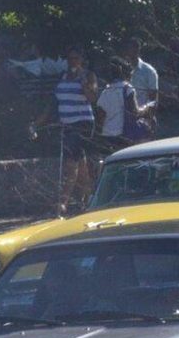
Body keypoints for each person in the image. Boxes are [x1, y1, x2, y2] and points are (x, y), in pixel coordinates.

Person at [33, 47, 99, 215]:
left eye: (76, 58)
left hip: (82, 123)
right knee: (80, 163)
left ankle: (63, 202)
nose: (72, 62)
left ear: (81, 60)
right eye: (70, 59)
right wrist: (37, 123)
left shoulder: (88, 76)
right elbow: (53, 103)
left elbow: (92, 98)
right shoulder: (62, 77)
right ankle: (90, 198)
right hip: (67, 124)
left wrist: (83, 81)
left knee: (71, 162)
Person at [94, 57, 149, 152]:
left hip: (107, 136)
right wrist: (145, 109)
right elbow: (134, 112)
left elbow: (101, 115)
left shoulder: (105, 91)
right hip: (123, 135)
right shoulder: (127, 88)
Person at [121, 37, 159, 134]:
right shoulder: (119, 70)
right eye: (126, 49)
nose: (128, 52)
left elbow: (153, 100)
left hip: (142, 118)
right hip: (121, 120)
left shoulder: (149, 71)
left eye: (131, 49)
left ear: (137, 50)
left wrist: (147, 119)